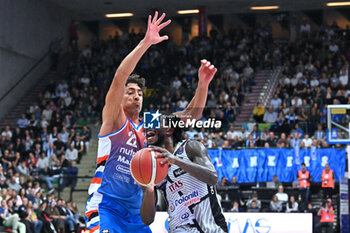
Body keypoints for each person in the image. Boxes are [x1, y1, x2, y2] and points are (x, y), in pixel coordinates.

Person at [85, 12, 218, 233]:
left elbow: (190, 116)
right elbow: (120, 76)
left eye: (140, 93)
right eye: (130, 92)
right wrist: (146, 42)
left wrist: (203, 84)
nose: (136, 95)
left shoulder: (150, 123)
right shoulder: (114, 119)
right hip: (106, 206)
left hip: (136, 212)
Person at [141, 115, 228, 232]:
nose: (148, 129)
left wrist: (176, 161)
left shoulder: (190, 147)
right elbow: (147, 219)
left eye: (155, 124)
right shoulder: (153, 167)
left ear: (169, 130)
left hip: (212, 228)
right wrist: (149, 188)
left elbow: (213, 178)